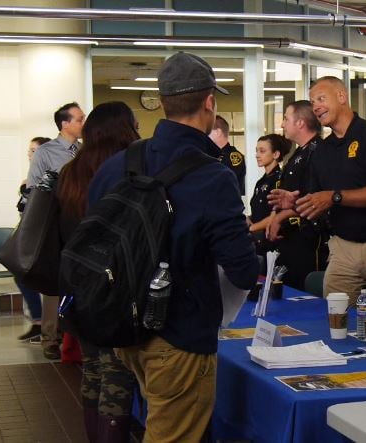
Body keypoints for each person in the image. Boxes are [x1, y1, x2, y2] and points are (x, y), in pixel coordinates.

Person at [87, 52, 259, 441]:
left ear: (163, 103)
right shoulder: (213, 177)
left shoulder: (117, 165)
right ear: (210, 103)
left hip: (124, 328)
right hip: (179, 335)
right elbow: (243, 270)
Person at [269, 77, 366, 305]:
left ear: (342, 96)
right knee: (336, 319)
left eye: (321, 98)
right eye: (312, 101)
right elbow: (317, 203)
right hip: (342, 248)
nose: (315, 106)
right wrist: (294, 204)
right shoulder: (322, 151)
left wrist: (335, 197)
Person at [57, 101, 139, 442]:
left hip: (77, 284)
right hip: (114, 287)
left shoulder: (71, 171)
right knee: (117, 374)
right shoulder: (124, 172)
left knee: (92, 368)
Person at [27, 102, 86, 360]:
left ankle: (75, 334)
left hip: (81, 223)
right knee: (54, 281)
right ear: (65, 124)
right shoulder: (47, 153)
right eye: (79, 119)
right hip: (56, 223)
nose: (83, 123)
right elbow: (33, 189)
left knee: (79, 277)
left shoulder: (84, 151)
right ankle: (50, 337)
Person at [266, 100, 329, 291]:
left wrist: (281, 217)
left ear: (300, 123)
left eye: (286, 119)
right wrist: (274, 217)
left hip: (309, 238)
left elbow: (313, 197)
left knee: (306, 295)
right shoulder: (298, 153)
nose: (283, 124)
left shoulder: (318, 151)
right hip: (291, 238)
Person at [15, 136, 51, 342]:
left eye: (33, 150)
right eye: (29, 151)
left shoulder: (49, 177)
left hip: (44, 240)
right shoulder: (29, 179)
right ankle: (38, 322)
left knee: (34, 278)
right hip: (30, 237)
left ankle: (47, 326)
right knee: (21, 275)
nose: (29, 155)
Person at [248, 134, 289, 254]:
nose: (257, 155)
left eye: (262, 151)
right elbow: (259, 211)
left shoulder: (279, 180)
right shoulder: (261, 181)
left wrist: (250, 228)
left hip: (271, 241)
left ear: (276, 154)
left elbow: (275, 215)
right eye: (256, 151)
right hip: (257, 240)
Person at [211, 115, 246, 195]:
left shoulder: (233, 157)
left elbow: (229, 185)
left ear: (217, 132)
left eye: (207, 131)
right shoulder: (212, 154)